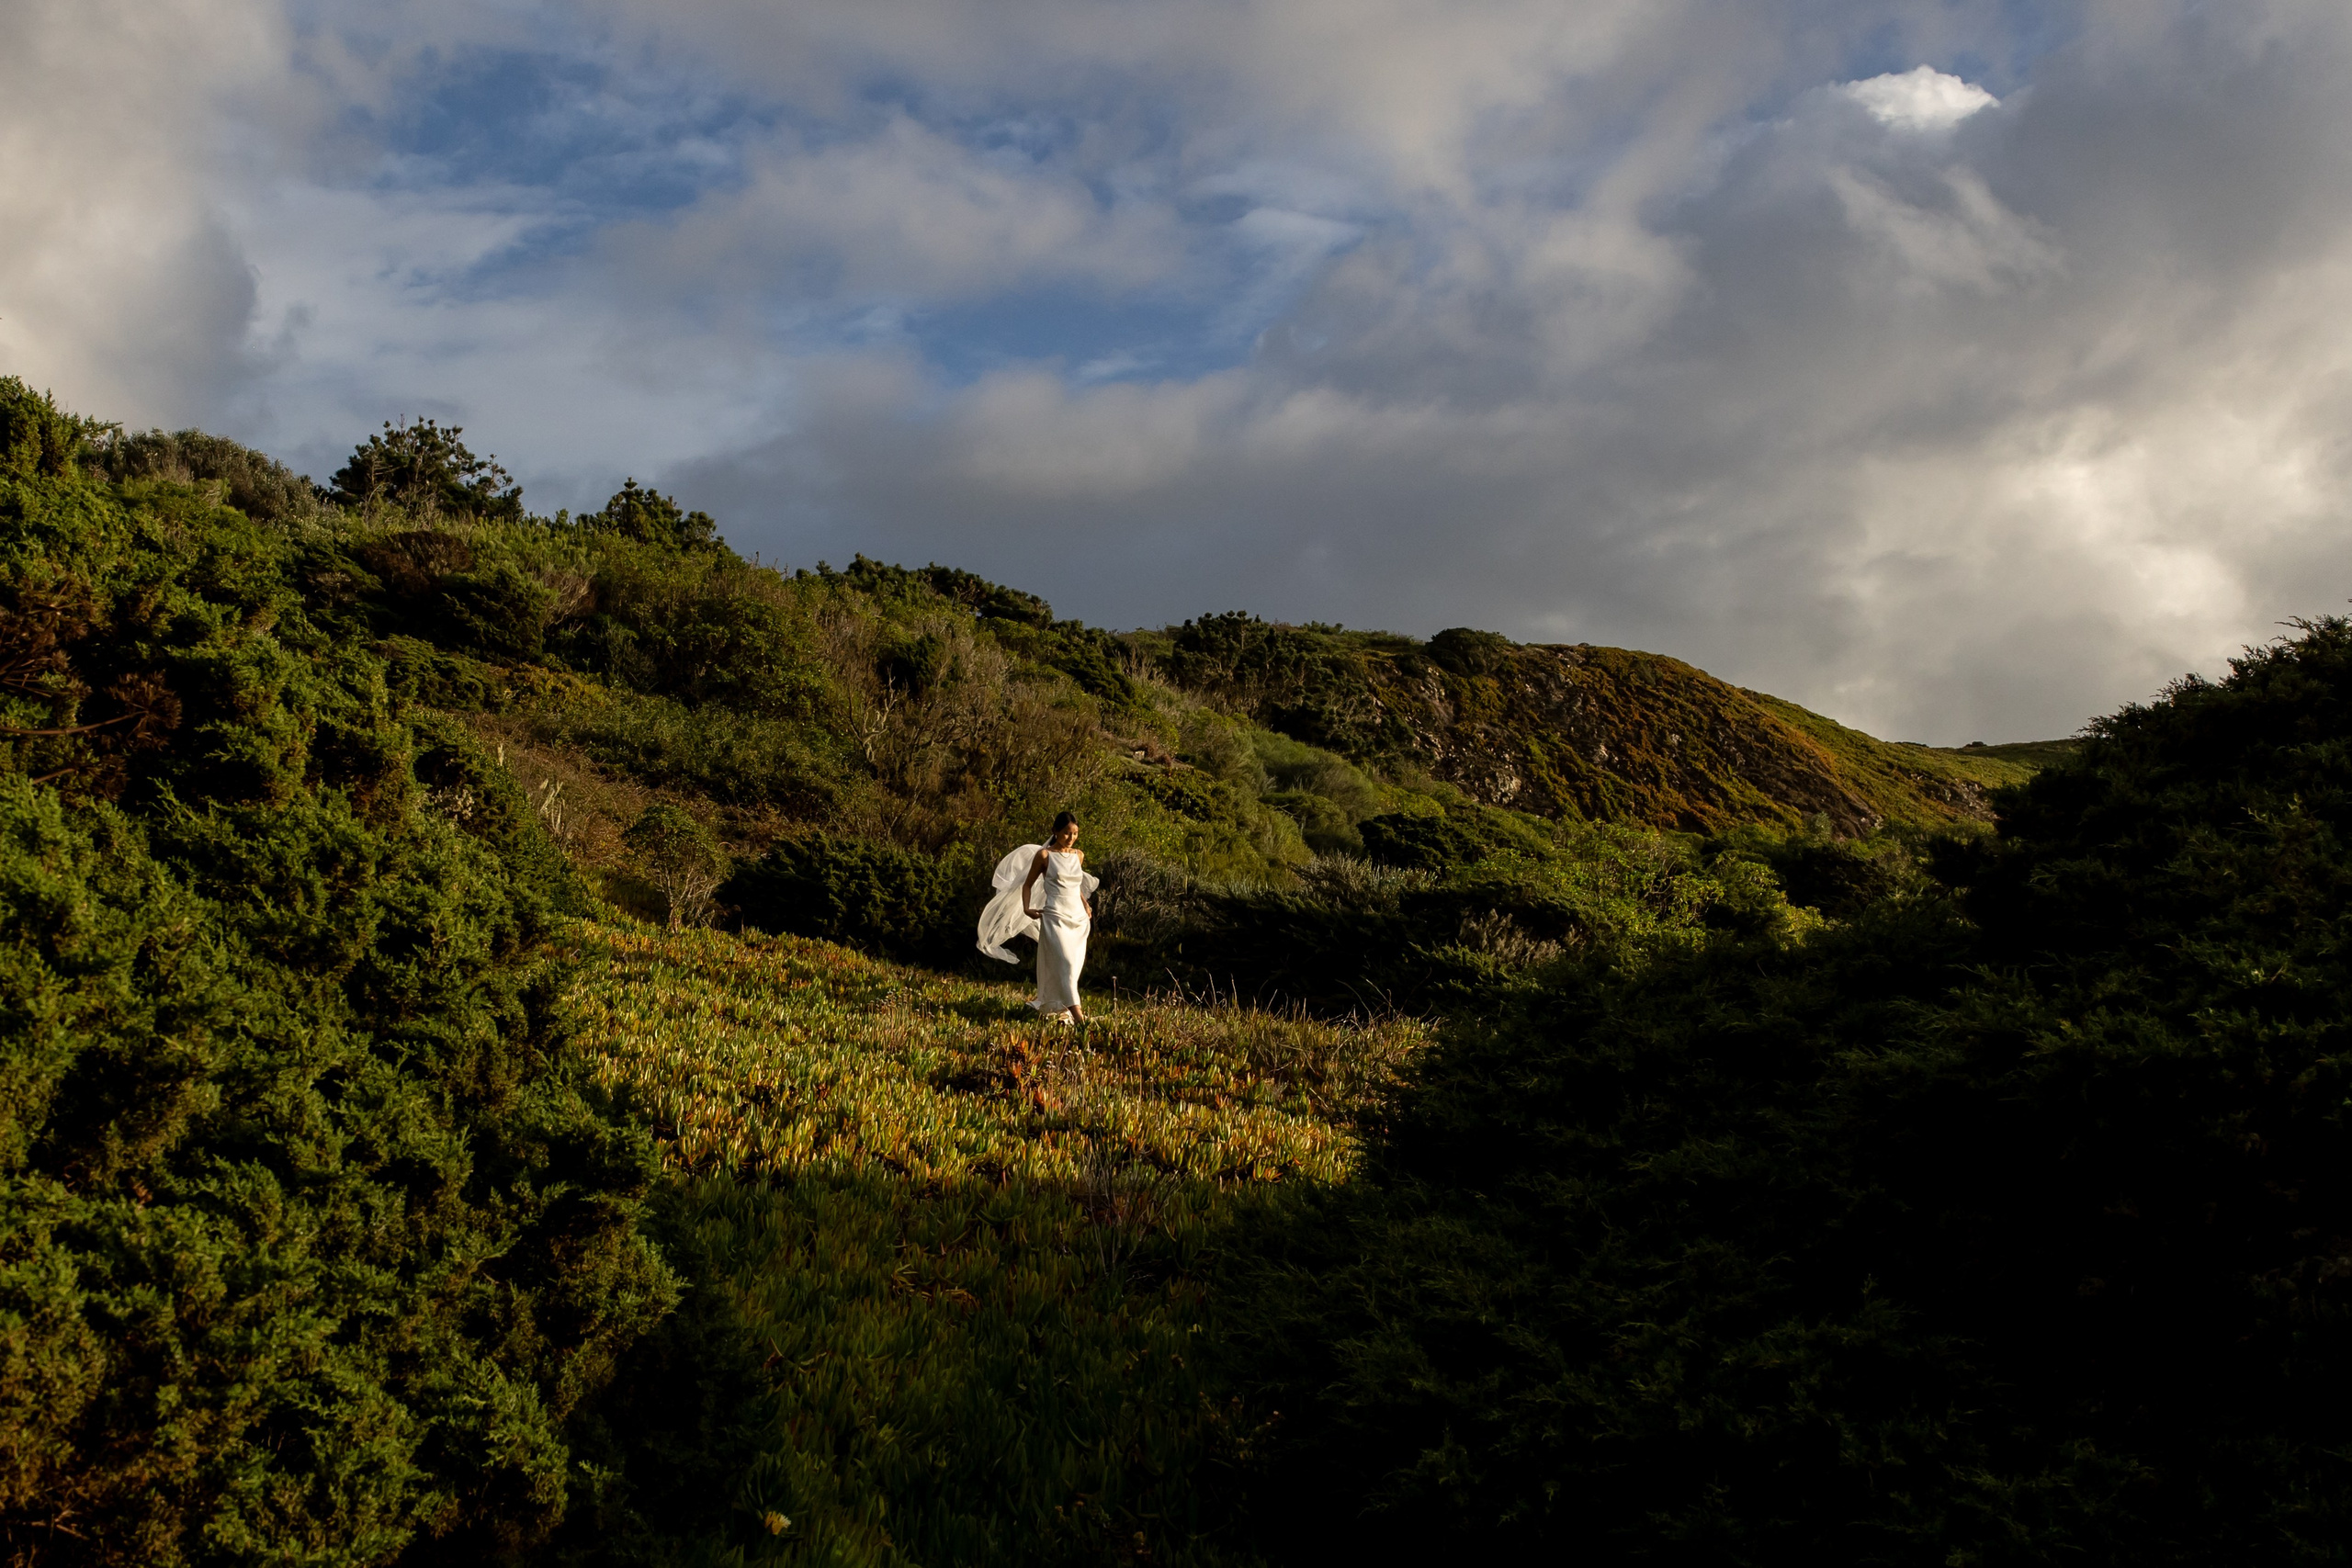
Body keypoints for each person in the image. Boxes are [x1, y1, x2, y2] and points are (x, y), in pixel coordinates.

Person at [974, 811, 1098, 1023]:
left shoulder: (1079, 855)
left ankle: (1060, 1007)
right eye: (1067, 833)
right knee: (1066, 964)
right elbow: (1028, 885)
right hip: (1055, 916)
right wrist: (1026, 908)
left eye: (1075, 833)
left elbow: (1075, 885)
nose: (1071, 838)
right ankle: (1080, 1019)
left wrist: (1086, 905)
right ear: (1055, 832)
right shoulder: (1044, 856)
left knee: (1073, 967)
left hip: (1078, 918)